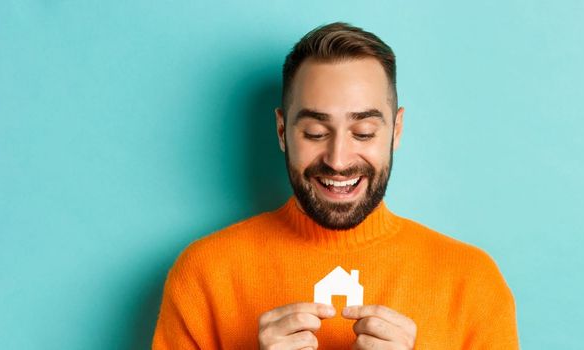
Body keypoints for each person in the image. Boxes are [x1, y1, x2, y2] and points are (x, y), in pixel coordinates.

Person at [152, 22, 519, 349]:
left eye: (363, 132)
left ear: (396, 131)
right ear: (283, 131)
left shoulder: (472, 283)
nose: (339, 159)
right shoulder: (204, 276)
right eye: (315, 132)